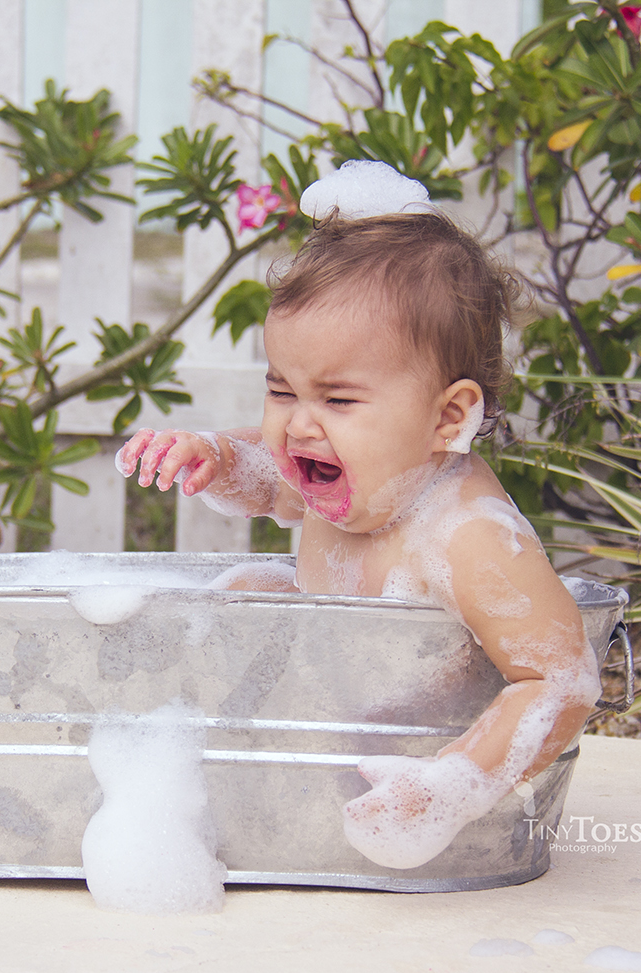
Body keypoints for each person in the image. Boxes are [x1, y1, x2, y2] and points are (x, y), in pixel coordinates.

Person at [115, 162, 601, 870]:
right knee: (244, 597)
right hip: (326, 745)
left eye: (338, 400)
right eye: (281, 390)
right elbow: (270, 478)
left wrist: (448, 786)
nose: (297, 426)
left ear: (448, 416)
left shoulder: (467, 535)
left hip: (417, 788)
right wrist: (216, 457)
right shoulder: (359, 472)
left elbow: (560, 678)